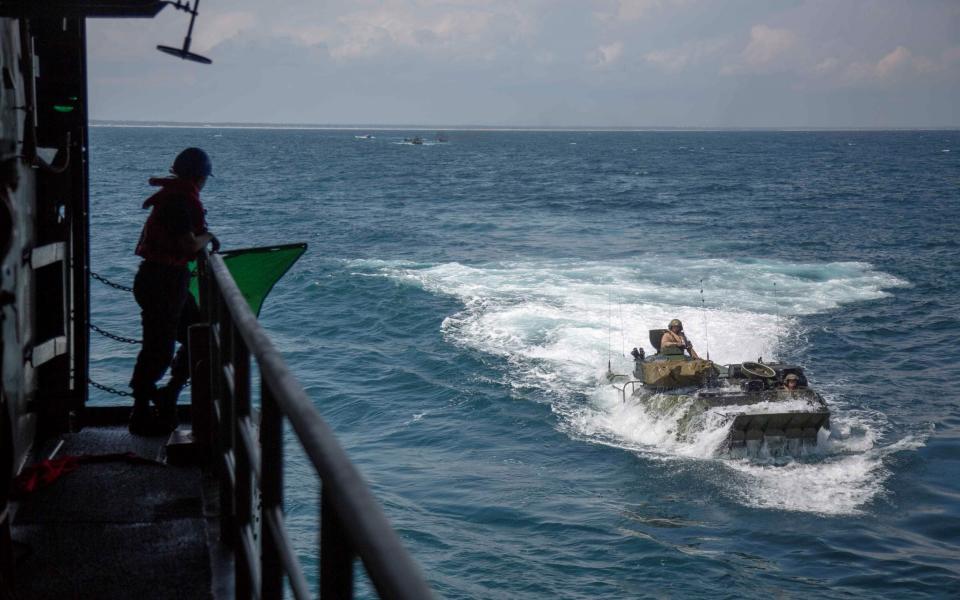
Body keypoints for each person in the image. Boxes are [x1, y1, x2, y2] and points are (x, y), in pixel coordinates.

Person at [127, 148, 219, 435]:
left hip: (164, 279)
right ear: (199, 176)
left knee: (198, 333)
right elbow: (188, 246)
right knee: (159, 349)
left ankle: (168, 394)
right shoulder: (179, 202)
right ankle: (141, 412)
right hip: (162, 281)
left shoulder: (175, 197)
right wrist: (210, 236)